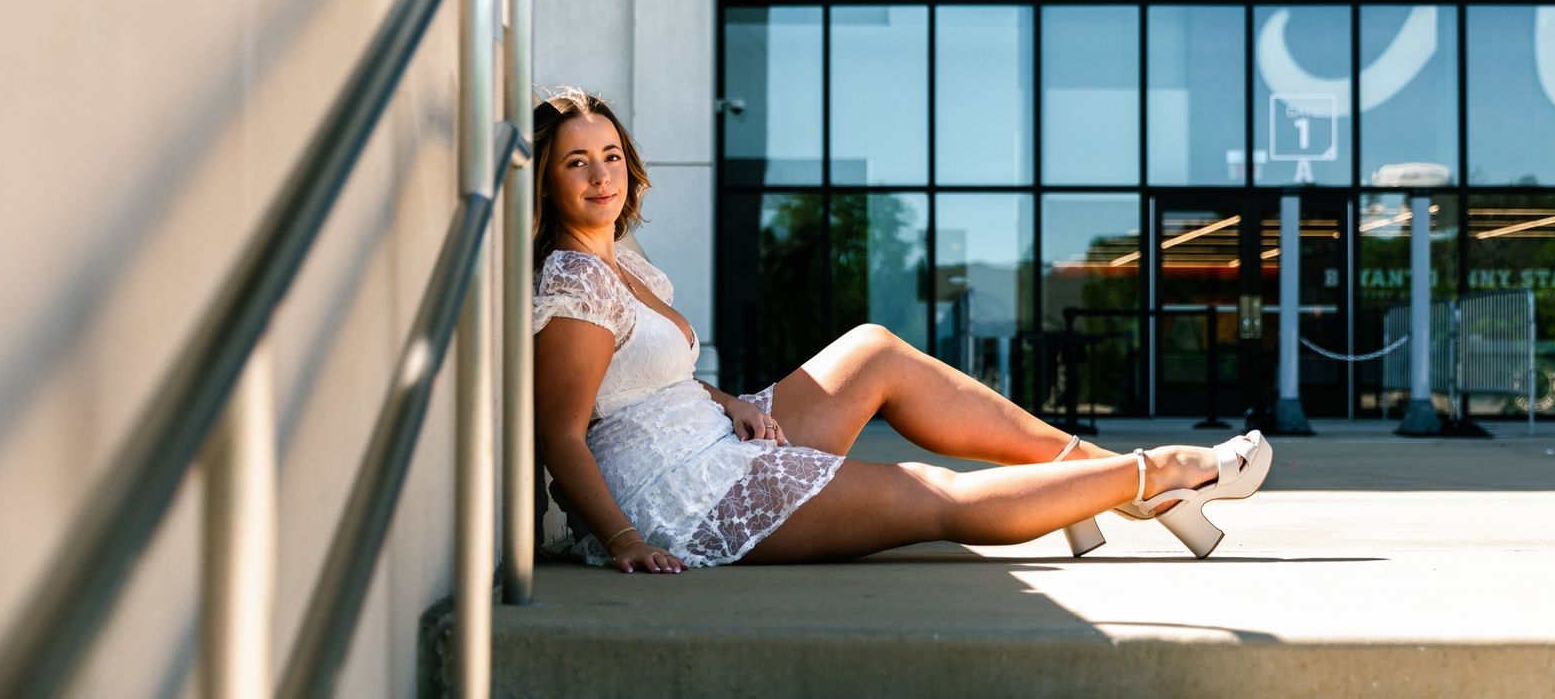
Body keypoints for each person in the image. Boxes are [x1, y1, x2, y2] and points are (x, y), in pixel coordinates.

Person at [531, 86, 1273, 575]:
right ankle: (1159, 475)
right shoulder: (574, 279)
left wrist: (728, 400)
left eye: (612, 155)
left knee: (875, 349)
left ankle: (1087, 476)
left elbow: (642, 374)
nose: (603, 175)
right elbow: (560, 432)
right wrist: (626, 539)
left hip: (713, 438)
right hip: (679, 495)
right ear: (547, 181)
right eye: (577, 162)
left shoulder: (623, 263)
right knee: (932, 496)